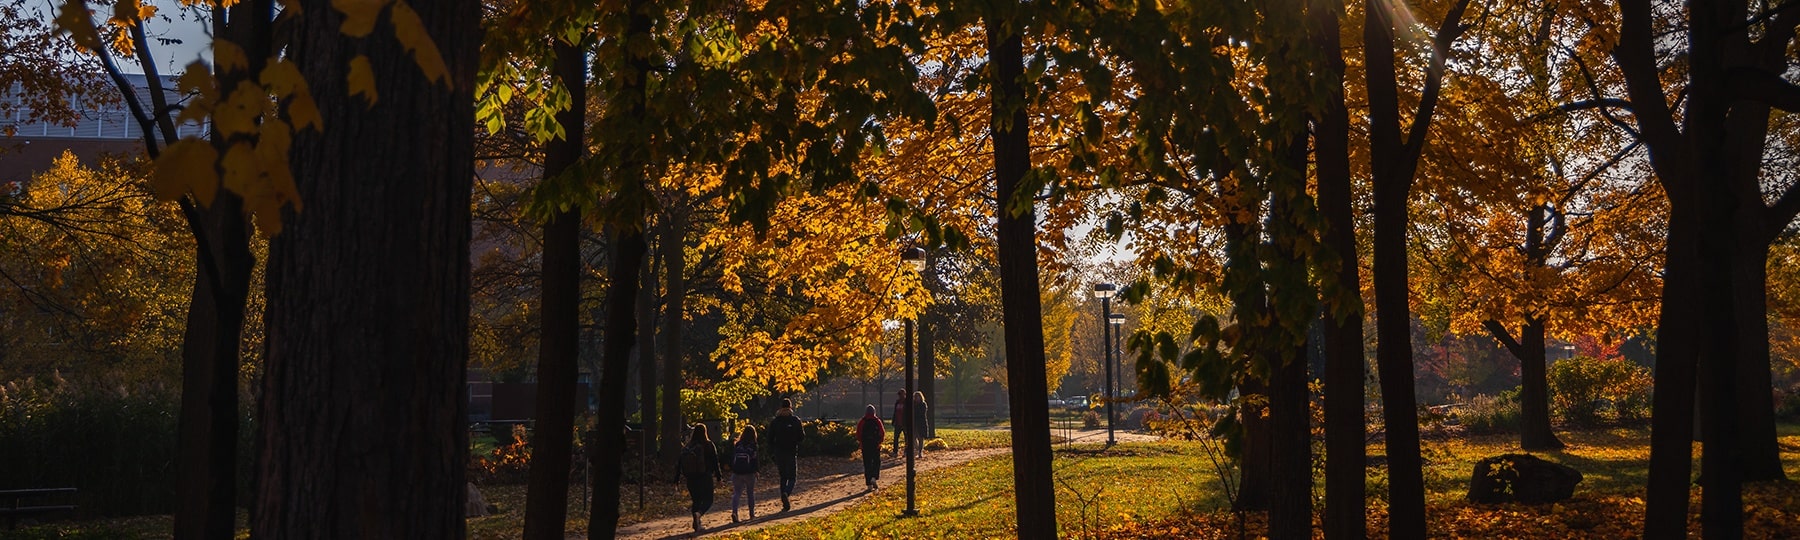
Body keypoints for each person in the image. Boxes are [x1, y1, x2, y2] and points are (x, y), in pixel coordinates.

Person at [673, 424, 722, 533]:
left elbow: (679, 463)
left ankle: (697, 524)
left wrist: (676, 480)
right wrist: (719, 477)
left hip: (690, 478)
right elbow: (715, 462)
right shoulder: (708, 445)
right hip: (705, 476)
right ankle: (699, 514)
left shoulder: (687, 446)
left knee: (696, 500)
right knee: (708, 499)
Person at [767, 398, 806, 512]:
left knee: (783, 476)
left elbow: (769, 438)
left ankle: (784, 501)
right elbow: (801, 437)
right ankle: (786, 493)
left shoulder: (775, 421)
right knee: (792, 477)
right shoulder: (795, 420)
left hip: (779, 452)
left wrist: (772, 450)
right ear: (790, 407)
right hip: (791, 451)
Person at [727, 425, 760, 523]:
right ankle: (751, 514)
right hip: (749, 472)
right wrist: (756, 470)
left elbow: (732, 458)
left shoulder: (738, 444)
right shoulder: (753, 445)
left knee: (737, 493)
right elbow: (755, 459)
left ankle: (735, 512)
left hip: (737, 472)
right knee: (750, 493)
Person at [855, 404, 885, 490]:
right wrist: (880, 442)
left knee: (867, 463)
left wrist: (861, 442)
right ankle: (874, 477)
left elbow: (858, 433)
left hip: (865, 445)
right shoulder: (877, 420)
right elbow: (882, 432)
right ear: (874, 412)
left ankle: (868, 483)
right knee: (876, 461)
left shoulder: (862, 421)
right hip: (875, 445)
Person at [910, 391, 931, 458]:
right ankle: (917, 449)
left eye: (917, 396)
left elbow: (921, 414)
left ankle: (920, 452)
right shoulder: (913, 404)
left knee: (920, 438)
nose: (916, 398)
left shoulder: (923, 404)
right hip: (914, 423)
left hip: (921, 423)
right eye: (915, 397)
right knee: (913, 438)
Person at [891, 389, 908, 457]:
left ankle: (906, 451)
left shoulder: (907, 402)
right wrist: (893, 421)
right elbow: (895, 412)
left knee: (906, 438)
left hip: (904, 423)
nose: (900, 396)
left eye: (901, 394)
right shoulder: (897, 402)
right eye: (899, 394)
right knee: (895, 438)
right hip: (898, 423)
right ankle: (895, 451)